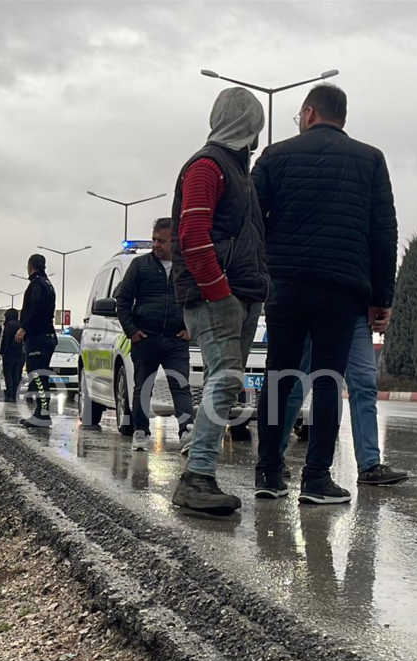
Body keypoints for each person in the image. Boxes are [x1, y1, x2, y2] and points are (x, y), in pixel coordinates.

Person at [252, 83, 400, 504]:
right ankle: (316, 478)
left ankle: (268, 472)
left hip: (285, 286)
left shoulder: (274, 157)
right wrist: (381, 299)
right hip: (342, 288)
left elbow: (252, 219)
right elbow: (383, 233)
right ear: (343, 118)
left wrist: (265, 271)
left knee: (279, 376)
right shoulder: (370, 160)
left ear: (310, 113)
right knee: (328, 380)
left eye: (300, 116)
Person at [168, 87, 270, 515]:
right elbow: (193, 234)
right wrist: (220, 292)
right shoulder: (208, 167)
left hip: (239, 293)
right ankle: (196, 478)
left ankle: (200, 474)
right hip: (219, 294)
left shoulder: (236, 171)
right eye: (256, 126)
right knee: (226, 380)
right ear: (247, 124)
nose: (257, 136)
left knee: (222, 382)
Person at [275, 333, 409, 487]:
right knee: (298, 384)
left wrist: (381, 308)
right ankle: (274, 459)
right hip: (314, 314)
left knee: (364, 385)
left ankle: (369, 465)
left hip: (358, 315)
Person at [112, 217, 195, 451]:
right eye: (154, 240)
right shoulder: (140, 266)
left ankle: (186, 432)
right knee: (143, 386)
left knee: (180, 386)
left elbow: (200, 300)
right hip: (145, 339)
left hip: (176, 340)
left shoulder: (186, 267)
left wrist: (192, 329)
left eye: (161, 241)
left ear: (175, 242)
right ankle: (140, 431)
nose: (156, 245)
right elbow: (123, 299)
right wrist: (132, 331)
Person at [15, 254, 57, 428]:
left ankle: (42, 414)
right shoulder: (48, 284)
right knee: (41, 375)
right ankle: (41, 413)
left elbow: (35, 308)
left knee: (38, 376)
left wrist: (24, 327)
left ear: (31, 266)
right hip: (47, 336)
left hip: (38, 337)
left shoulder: (37, 285)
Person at [0, 308, 24, 402]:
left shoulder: (9, 325)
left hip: (9, 354)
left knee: (8, 374)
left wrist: (2, 352)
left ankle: (9, 394)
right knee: (16, 374)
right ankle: (13, 394)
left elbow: (6, 339)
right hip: (20, 354)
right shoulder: (21, 325)